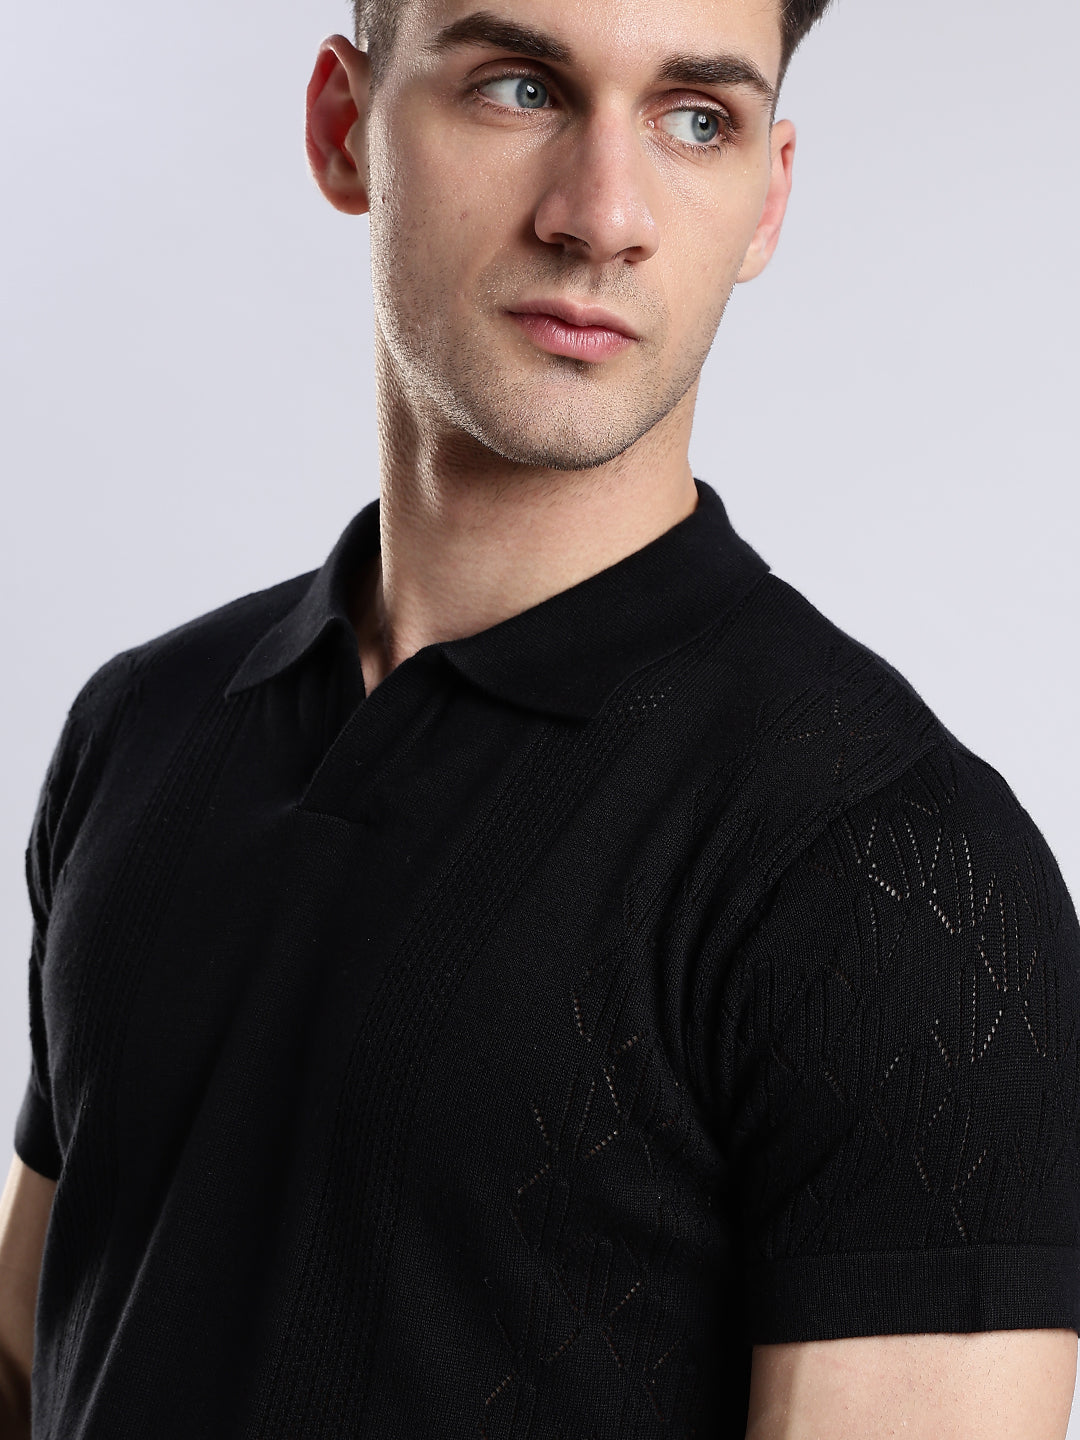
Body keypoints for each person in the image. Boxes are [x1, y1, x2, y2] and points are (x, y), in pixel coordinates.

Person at [1, 0, 1078, 1434]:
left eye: (696, 119)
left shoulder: (900, 877)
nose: (602, 217)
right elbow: (36, 1352)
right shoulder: (145, 723)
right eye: (519, 88)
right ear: (345, 127)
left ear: (767, 198)